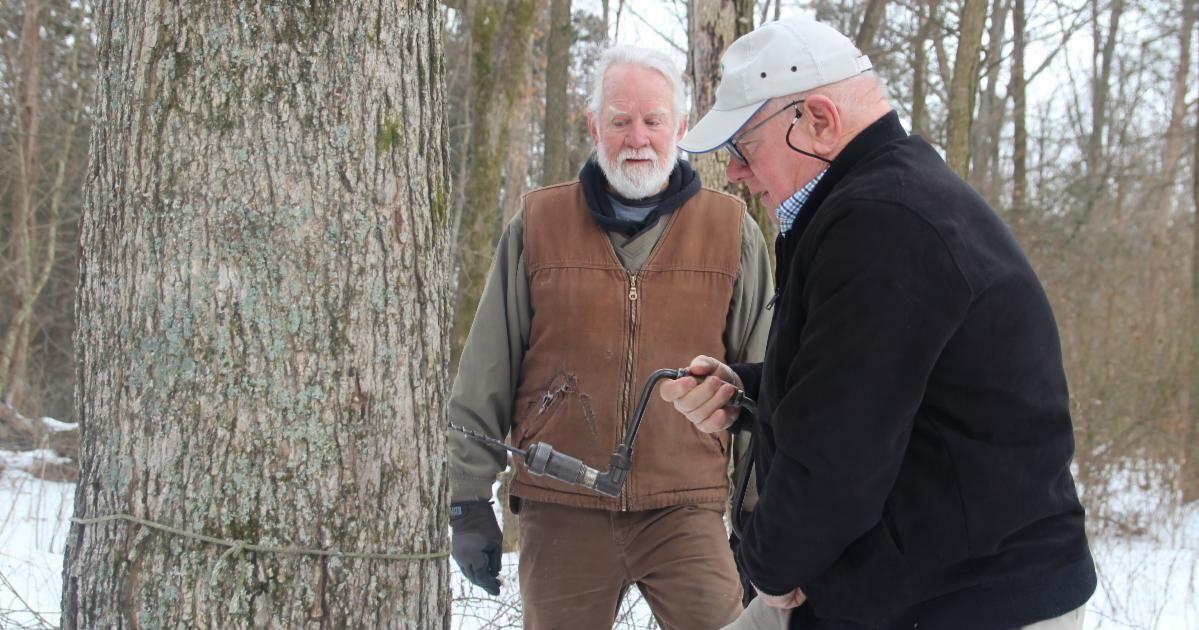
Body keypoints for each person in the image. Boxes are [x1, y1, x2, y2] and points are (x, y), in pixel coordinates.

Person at [661, 17, 1096, 630]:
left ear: (817, 120)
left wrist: (769, 565)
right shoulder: (877, 200)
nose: (734, 171)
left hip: (973, 600)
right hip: (904, 584)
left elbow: (839, 452)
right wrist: (747, 389)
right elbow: (870, 382)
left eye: (744, 147)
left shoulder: (884, 222)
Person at [447, 45, 774, 630]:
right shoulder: (538, 225)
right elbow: (487, 367)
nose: (637, 138)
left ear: (679, 127)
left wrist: (757, 513)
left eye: (653, 120)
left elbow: (761, 383)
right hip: (561, 507)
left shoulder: (732, 233)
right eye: (620, 121)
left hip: (684, 509)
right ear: (594, 127)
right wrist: (469, 495)